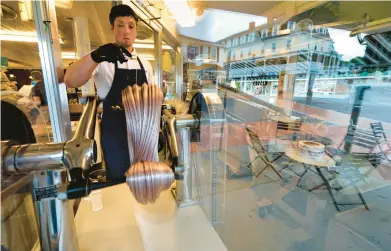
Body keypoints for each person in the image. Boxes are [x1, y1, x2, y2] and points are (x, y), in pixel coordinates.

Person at [64, 4, 153, 180]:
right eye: (120, 25)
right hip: (115, 128)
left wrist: (155, 131)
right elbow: (70, 80)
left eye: (131, 26)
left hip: (142, 130)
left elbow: (150, 100)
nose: (126, 31)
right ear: (112, 28)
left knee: (144, 176)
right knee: (119, 178)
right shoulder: (102, 59)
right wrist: (96, 56)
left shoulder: (146, 64)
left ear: (135, 30)